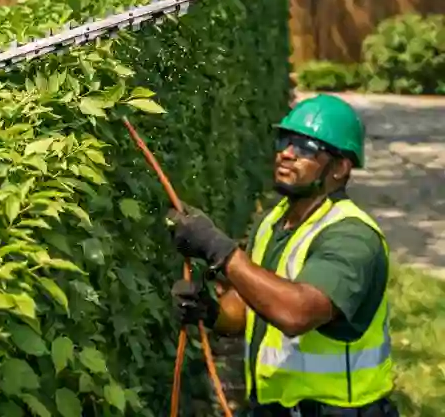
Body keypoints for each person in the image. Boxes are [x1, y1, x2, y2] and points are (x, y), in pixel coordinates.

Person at [167, 94, 397, 416]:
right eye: (285, 140)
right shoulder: (272, 223)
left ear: (340, 167)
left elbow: (296, 313)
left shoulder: (353, 237)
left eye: (305, 148)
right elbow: (251, 308)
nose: (286, 154)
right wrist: (211, 310)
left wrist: (220, 249)